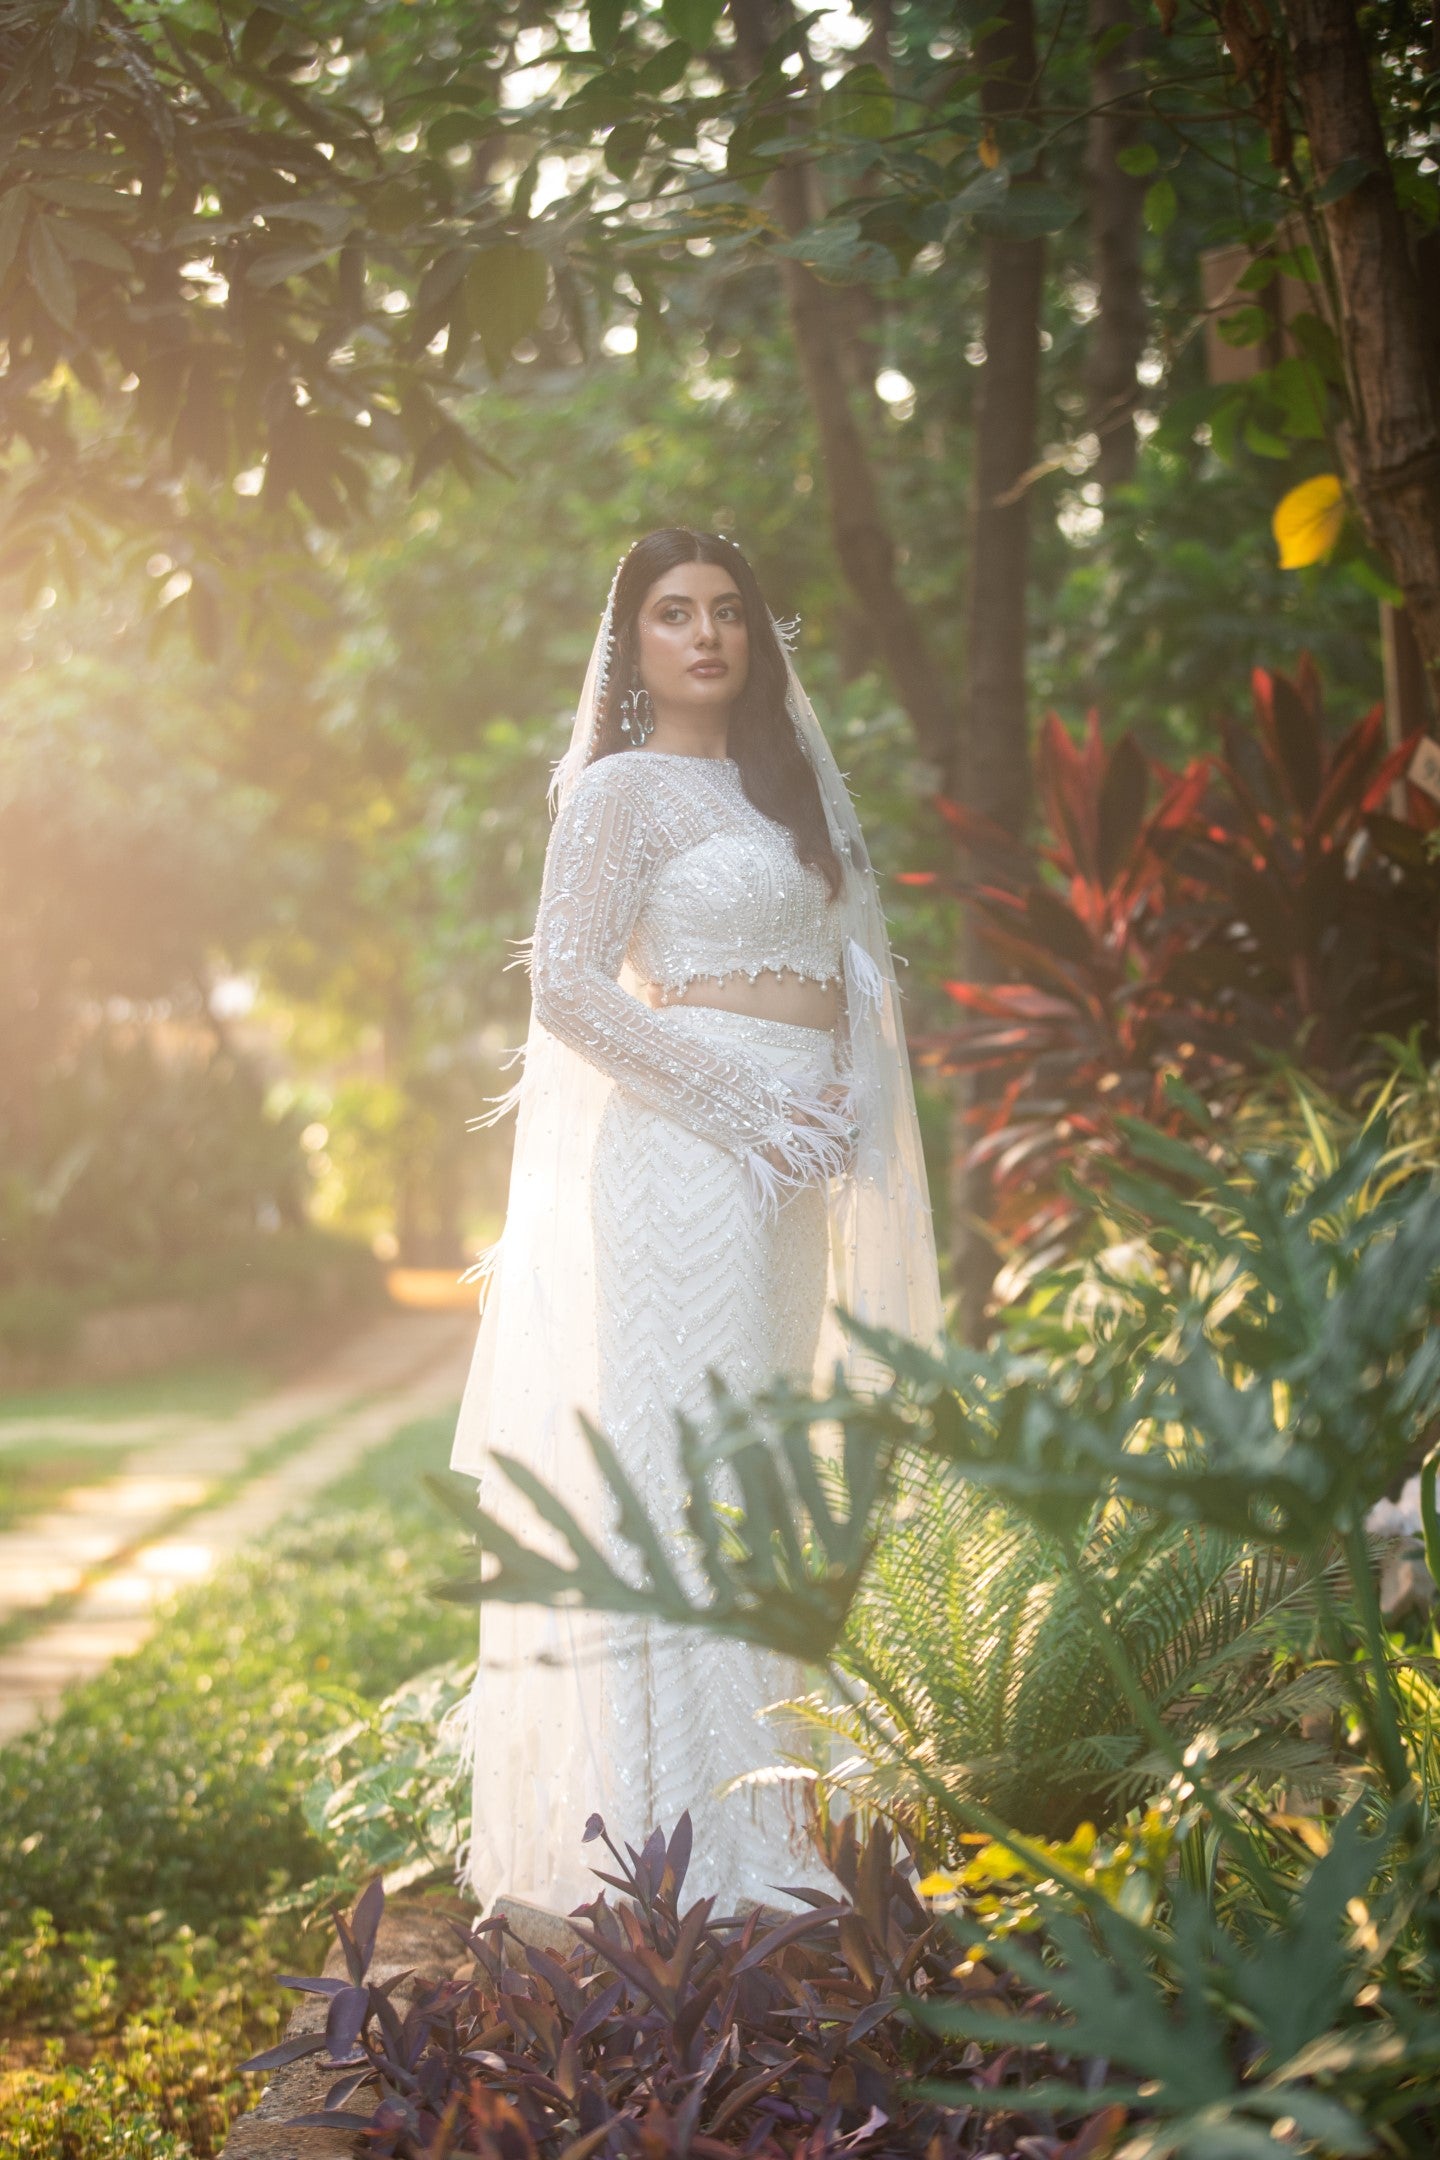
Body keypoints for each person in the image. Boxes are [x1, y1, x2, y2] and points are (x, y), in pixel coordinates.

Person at [450, 528, 943, 1915]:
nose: (708, 635)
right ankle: (692, 1837)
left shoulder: (784, 789)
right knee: (691, 1466)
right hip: (683, 1145)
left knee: (770, 1467)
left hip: (796, 1149)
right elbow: (568, 987)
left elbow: (848, 965)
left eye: (727, 610)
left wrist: (835, 1098)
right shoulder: (620, 793)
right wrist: (742, 1104)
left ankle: (774, 1798)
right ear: (634, 644)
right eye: (674, 614)